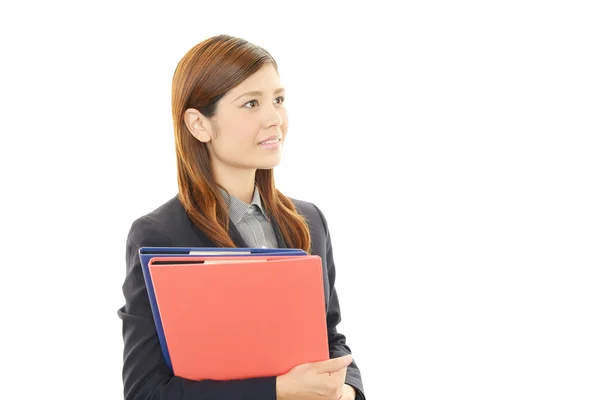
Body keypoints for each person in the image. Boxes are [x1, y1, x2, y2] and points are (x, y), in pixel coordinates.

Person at [117, 34, 366, 400]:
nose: (274, 119)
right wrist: (277, 390)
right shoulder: (158, 235)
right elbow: (146, 391)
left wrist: (346, 389)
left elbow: (330, 339)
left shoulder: (309, 220)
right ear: (199, 124)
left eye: (278, 100)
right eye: (251, 103)